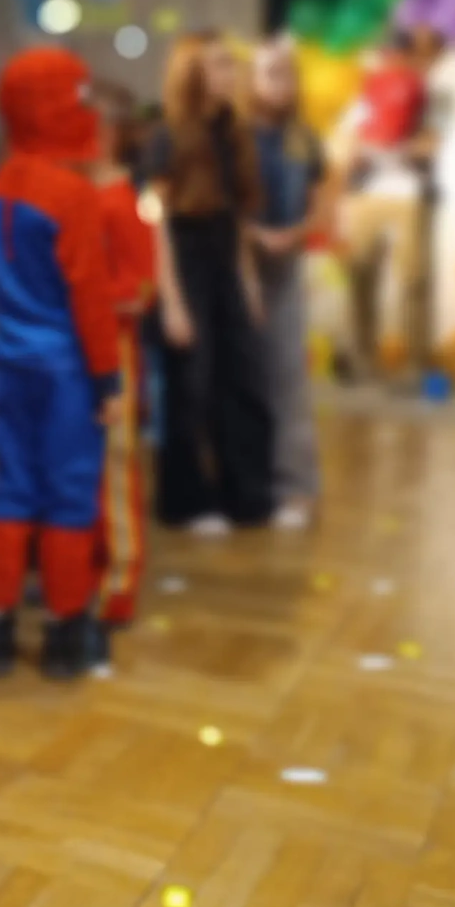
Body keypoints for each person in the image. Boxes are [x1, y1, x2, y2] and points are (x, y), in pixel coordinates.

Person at [0, 48, 121, 680]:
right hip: (67, 373)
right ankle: (65, 632)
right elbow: (90, 297)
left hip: (9, 366)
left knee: (11, 491)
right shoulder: (72, 194)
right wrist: (108, 379)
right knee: (68, 496)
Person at [145, 32, 273, 534]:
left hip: (225, 264)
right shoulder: (167, 137)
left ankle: (247, 496)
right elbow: (153, 220)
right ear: (193, 72)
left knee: (243, 381)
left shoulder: (233, 134)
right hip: (184, 264)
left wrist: (249, 283)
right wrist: (171, 300)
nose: (230, 74)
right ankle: (185, 502)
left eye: (230, 64)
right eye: (219, 64)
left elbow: (236, 218)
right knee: (189, 387)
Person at [248, 36, 329, 529]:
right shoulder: (237, 137)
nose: (282, 83)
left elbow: (319, 202)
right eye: (271, 73)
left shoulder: (306, 139)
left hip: (286, 262)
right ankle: (248, 481)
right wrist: (252, 233)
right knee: (245, 374)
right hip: (241, 259)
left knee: (288, 376)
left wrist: (295, 233)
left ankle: (295, 485)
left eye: (288, 73)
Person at [90, 97, 157, 664]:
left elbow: (139, 289)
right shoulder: (77, 193)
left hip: (111, 347)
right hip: (74, 345)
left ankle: (119, 576)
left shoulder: (120, 201)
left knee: (113, 460)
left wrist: (88, 300)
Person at [333, 29, 437, 383]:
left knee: (413, 279)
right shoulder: (368, 91)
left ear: (410, 56)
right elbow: (345, 141)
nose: (390, 60)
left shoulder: (427, 93)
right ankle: (362, 357)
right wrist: (355, 153)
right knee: (360, 276)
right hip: (366, 194)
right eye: (385, 54)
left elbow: (433, 144)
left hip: (409, 194)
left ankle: (416, 363)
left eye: (397, 53)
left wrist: (405, 148)